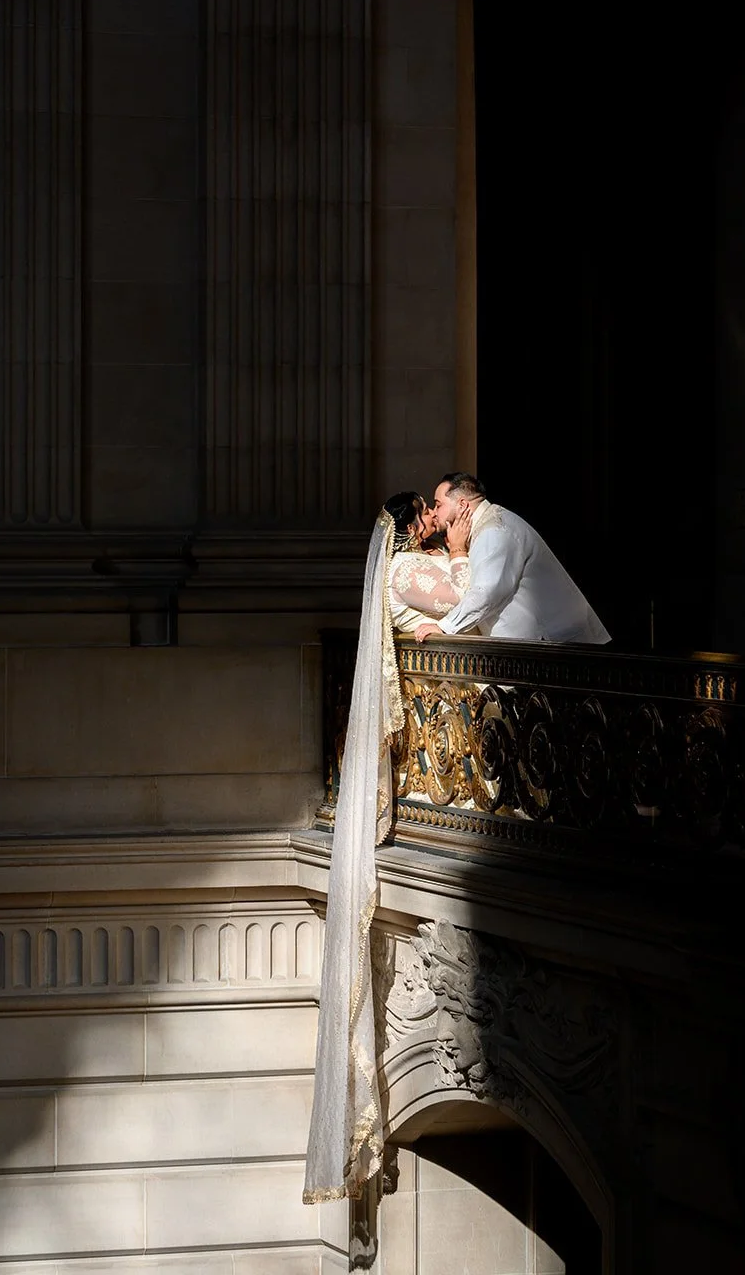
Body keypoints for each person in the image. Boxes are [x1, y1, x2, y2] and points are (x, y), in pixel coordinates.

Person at [302, 491, 471, 1210]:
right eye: (432, 517)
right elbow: (467, 599)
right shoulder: (407, 571)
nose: (441, 524)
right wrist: (465, 549)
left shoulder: (411, 562)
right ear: (411, 528)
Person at [414, 472, 610, 646]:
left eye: (438, 505)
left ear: (463, 505)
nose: (434, 512)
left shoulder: (495, 530)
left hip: (557, 643)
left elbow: (487, 591)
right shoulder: (486, 525)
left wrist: (445, 627)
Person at [383, 489, 473, 634]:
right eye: (425, 513)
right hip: (443, 653)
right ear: (411, 529)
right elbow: (461, 602)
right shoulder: (404, 569)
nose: (433, 513)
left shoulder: (434, 546)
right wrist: (458, 548)